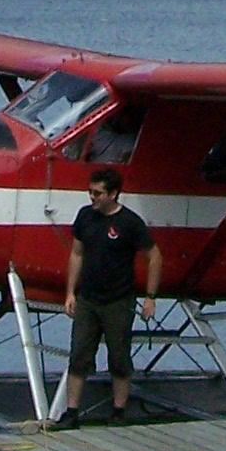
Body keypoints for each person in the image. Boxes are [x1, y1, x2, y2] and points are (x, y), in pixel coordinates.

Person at [54, 168, 159, 428]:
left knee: (118, 355)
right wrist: (70, 292)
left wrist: (150, 297)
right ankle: (72, 412)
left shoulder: (130, 223)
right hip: (88, 298)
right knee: (79, 353)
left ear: (112, 194)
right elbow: (77, 254)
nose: (93, 197)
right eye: (90, 192)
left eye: (98, 193)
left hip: (118, 299)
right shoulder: (85, 217)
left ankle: (119, 411)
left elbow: (154, 256)